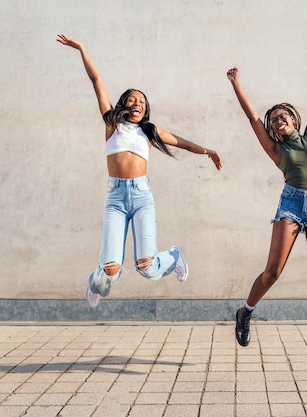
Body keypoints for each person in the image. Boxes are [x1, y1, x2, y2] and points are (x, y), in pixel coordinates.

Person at [57, 34, 222, 308]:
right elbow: (97, 81)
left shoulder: (149, 131)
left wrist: (209, 152)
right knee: (109, 270)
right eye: (132, 100)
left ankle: (173, 256)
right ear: (124, 105)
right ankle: (97, 281)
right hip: (116, 199)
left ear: (145, 111)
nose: (137, 103)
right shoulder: (113, 124)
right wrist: (81, 49)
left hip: (142, 196)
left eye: (142, 102)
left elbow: (183, 142)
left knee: (147, 266)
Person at [226, 39, 307, 346]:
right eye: (274, 120)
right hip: (291, 204)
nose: (278, 121)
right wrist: (236, 83)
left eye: (283, 116)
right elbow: (253, 119)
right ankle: (246, 312)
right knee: (273, 272)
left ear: (293, 119)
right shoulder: (276, 150)